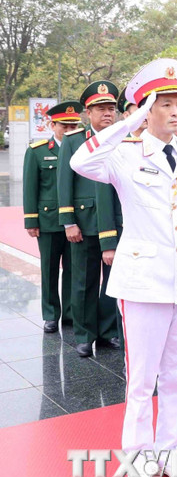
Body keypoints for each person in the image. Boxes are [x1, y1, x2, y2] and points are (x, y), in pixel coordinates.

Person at [70, 58, 177, 477]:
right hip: (144, 283)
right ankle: (137, 461)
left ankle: (173, 454)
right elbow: (81, 160)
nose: (176, 112)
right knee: (141, 380)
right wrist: (130, 119)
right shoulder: (123, 155)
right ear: (146, 109)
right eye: (164, 104)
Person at [58, 81, 122, 357]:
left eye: (111, 109)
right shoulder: (74, 141)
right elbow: (64, 181)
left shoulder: (123, 139)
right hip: (83, 224)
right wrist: (68, 221)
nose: (107, 114)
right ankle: (84, 335)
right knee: (83, 281)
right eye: (101, 109)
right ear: (88, 112)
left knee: (113, 281)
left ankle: (107, 332)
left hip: (117, 222)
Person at [24, 101, 81, 333]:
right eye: (64, 126)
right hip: (48, 222)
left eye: (73, 126)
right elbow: (30, 187)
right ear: (52, 124)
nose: (69, 131)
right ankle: (50, 314)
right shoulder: (37, 151)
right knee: (49, 269)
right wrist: (31, 220)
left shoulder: (81, 149)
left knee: (72, 269)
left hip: (76, 222)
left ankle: (69, 313)